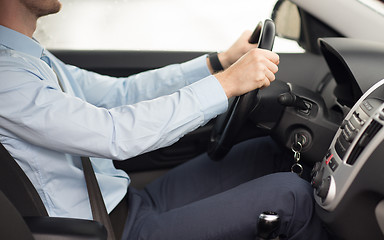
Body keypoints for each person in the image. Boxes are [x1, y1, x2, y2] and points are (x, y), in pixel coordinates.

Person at [0, 0, 329, 239]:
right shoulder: (6, 78)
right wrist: (228, 83)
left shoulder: (32, 58)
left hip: (128, 201)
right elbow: (113, 134)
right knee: (292, 197)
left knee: (266, 153)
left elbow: (121, 93)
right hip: (111, 230)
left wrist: (218, 63)